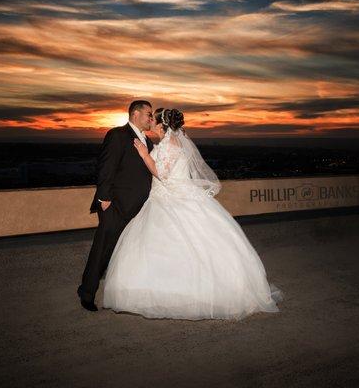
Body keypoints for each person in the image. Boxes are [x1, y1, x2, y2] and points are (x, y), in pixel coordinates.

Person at [102, 108, 282, 320]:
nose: (150, 120)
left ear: (161, 124)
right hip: (169, 196)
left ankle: (176, 294)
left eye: (153, 117)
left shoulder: (169, 143)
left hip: (170, 198)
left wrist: (143, 154)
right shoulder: (174, 141)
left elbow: (162, 173)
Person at [77, 100, 154, 311]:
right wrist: (104, 200)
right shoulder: (117, 135)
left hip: (139, 208)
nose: (151, 118)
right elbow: (106, 168)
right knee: (102, 249)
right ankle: (86, 293)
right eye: (149, 114)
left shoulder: (148, 142)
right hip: (116, 207)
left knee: (124, 252)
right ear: (136, 114)